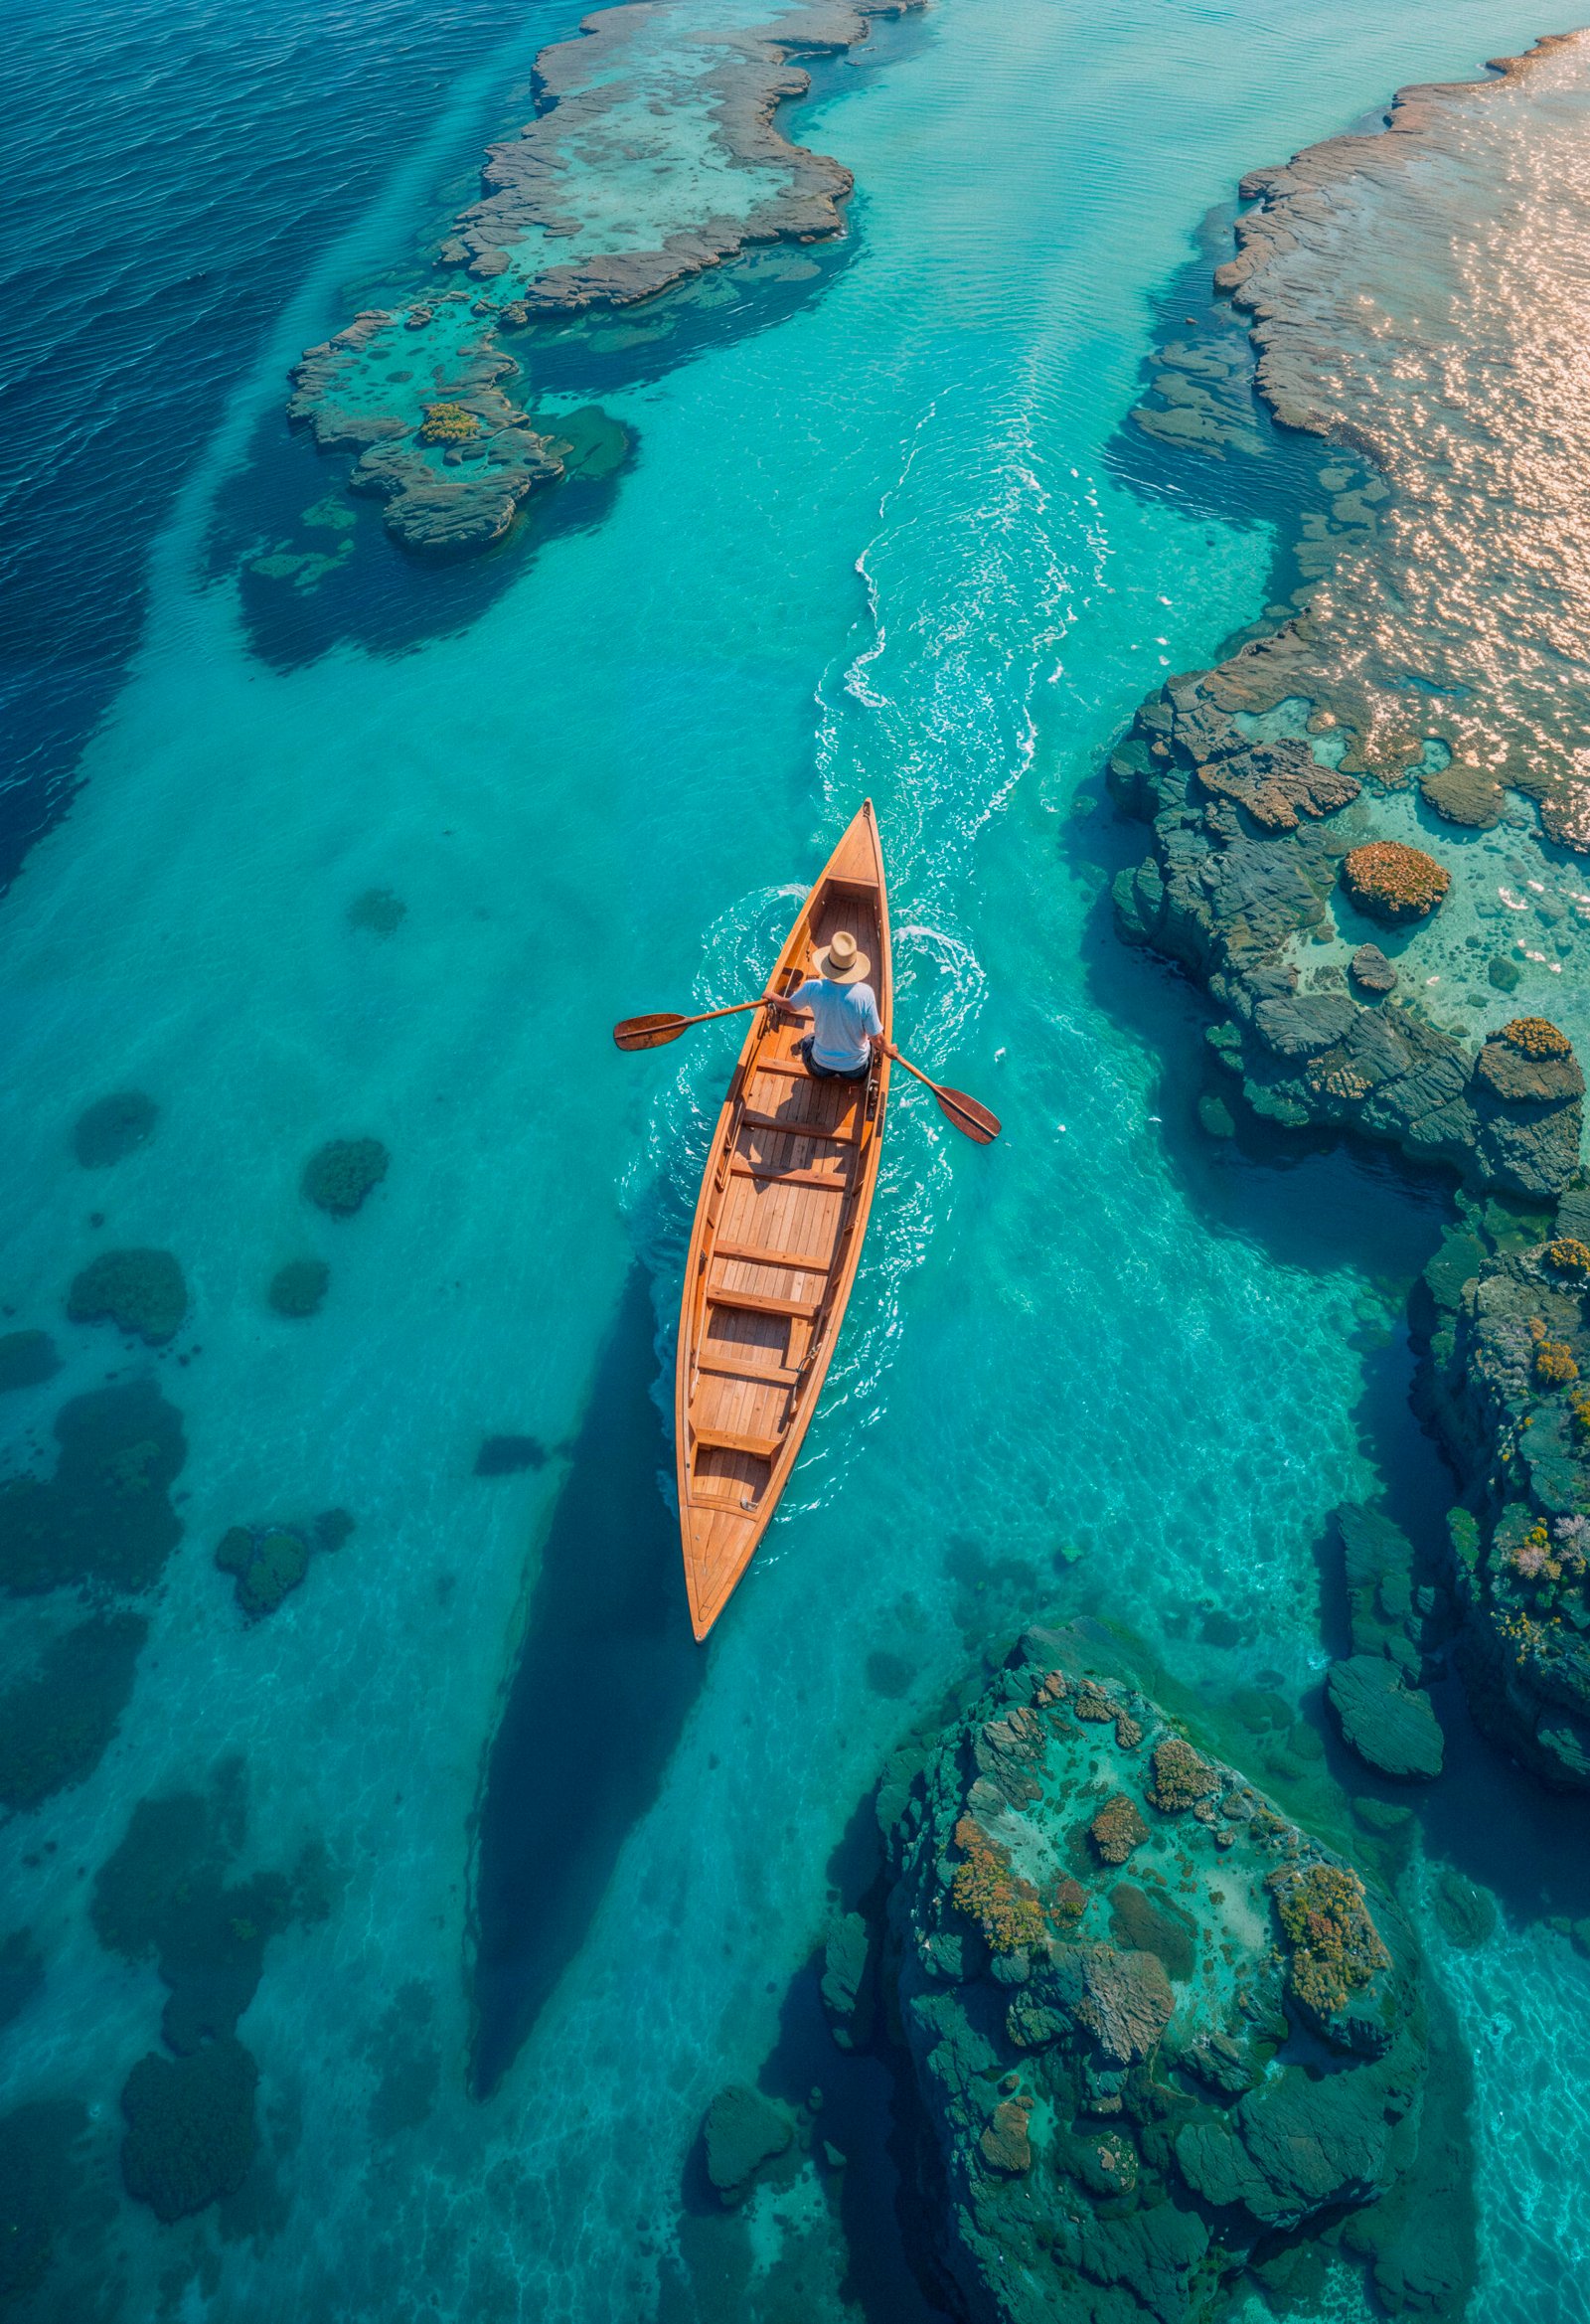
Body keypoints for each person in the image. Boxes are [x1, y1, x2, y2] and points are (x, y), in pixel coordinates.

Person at [771, 929, 884, 1079]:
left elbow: (790, 1005)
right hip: (855, 1070)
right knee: (869, 1047)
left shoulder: (812, 987)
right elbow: (877, 1039)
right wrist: (888, 1048)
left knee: (807, 1041)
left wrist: (772, 996)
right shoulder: (866, 994)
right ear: (853, 967)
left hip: (820, 1067)